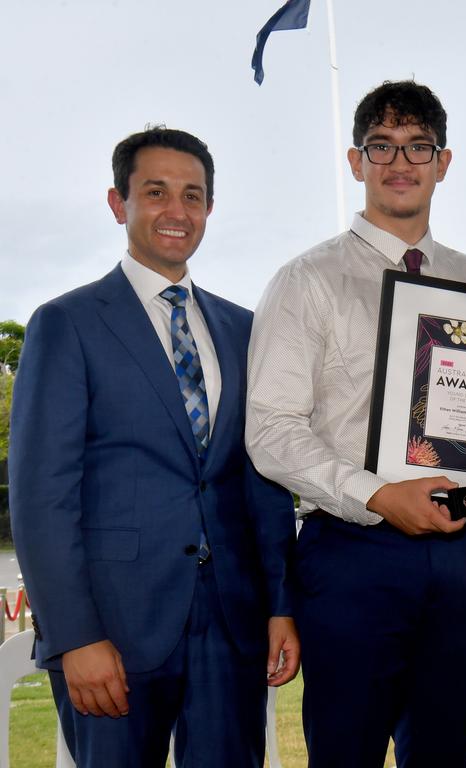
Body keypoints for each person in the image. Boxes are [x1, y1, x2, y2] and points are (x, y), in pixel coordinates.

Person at [245, 80, 466, 768]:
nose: (401, 162)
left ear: (444, 162)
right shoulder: (306, 280)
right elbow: (271, 429)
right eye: (381, 146)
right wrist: (377, 493)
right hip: (354, 556)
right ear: (356, 162)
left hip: (459, 555)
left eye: (419, 147)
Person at [9, 127, 300, 767]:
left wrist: (281, 605)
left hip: (231, 624)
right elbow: (41, 499)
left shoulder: (243, 329)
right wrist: (75, 636)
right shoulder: (66, 324)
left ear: (209, 209)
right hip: (113, 629)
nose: (177, 211)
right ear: (120, 204)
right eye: (156, 192)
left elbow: (264, 481)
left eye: (193, 195)